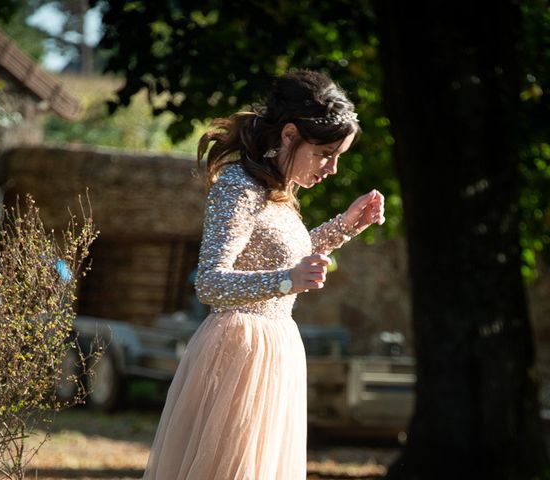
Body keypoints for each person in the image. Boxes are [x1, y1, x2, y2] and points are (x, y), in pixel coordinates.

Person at [142, 70, 385, 480]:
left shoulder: (278, 191)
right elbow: (211, 282)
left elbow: (283, 255)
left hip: (275, 350)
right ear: (289, 134)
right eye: (326, 153)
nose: (333, 169)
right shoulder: (239, 186)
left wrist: (344, 226)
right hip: (239, 354)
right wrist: (286, 279)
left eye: (338, 156)